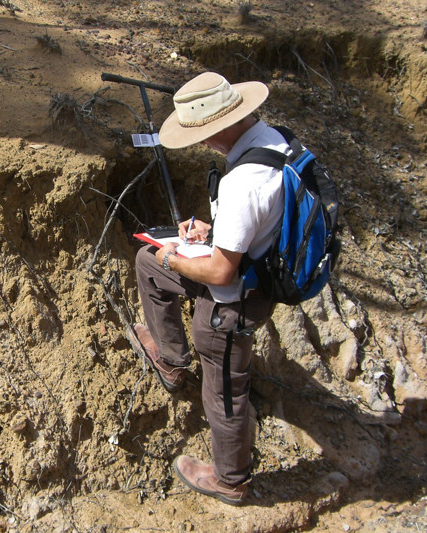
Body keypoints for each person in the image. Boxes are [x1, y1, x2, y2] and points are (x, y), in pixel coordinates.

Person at [134, 71, 289, 506]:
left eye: (201, 135)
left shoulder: (243, 182)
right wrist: (213, 228)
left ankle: (229, 479)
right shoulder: (276, 142)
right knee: (148, 262)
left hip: (235, 301)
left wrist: (173, 256)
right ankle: (170, 358)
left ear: (221, 124)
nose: (202, 144)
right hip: (263, 273)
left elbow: (221, 273)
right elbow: (264, 217)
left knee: (224, 390)